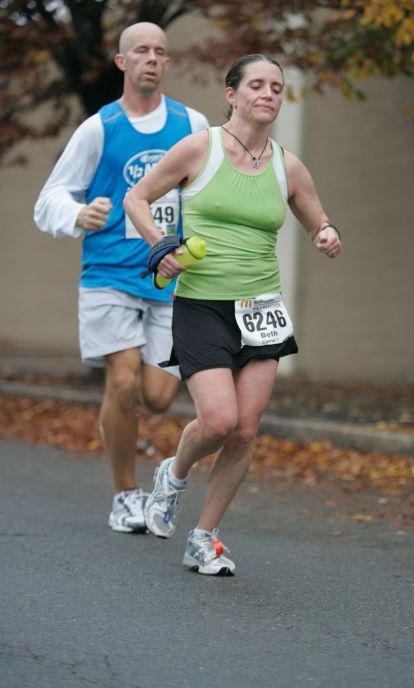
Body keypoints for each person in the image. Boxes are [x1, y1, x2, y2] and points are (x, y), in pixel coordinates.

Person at [123, 53, 342, 576]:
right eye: (257, 85)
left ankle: (204, 537)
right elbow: (137, 197)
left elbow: (316, 217)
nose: (268, 94)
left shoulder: (288, 165)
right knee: (218, 420)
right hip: (201, 304)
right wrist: (160, 246)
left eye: (276, 87)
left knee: (245, 431)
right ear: (232, 94)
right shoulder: (201, 147)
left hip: (262, 307)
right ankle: (172, 477)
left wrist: (326, 234)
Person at [33, 22, 209, 534]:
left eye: (160, 52)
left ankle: (136, 448)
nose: (152, 59)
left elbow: (206, 188)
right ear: (122, 62)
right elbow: (51, 197)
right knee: (124, 379)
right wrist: (78, 215)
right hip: (108, 272)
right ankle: (124, 494)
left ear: (168, 63)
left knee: (156, 396)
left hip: (169, 277)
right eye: (141, 52)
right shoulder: (99, 128)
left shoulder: (191, 124)